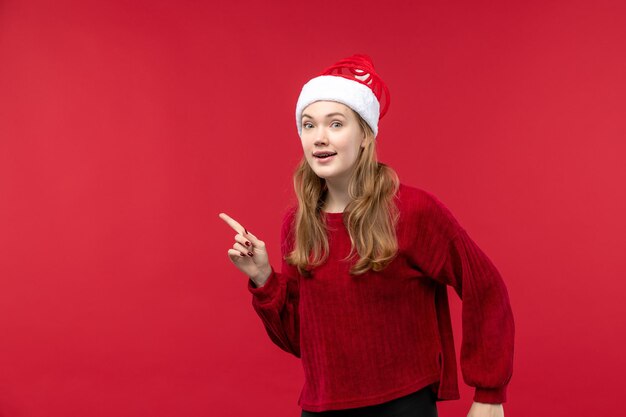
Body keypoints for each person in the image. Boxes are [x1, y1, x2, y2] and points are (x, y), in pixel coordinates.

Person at [219, 54, 514, 417]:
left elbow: (485, 287)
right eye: (308, 125)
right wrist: (263, 278)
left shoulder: (413, 211)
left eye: (336, 124)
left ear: (365, 135)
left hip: (403, 405)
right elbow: (302, 341)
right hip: (322, 408)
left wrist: (489, 394)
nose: (319, 138)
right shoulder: (298, 225)